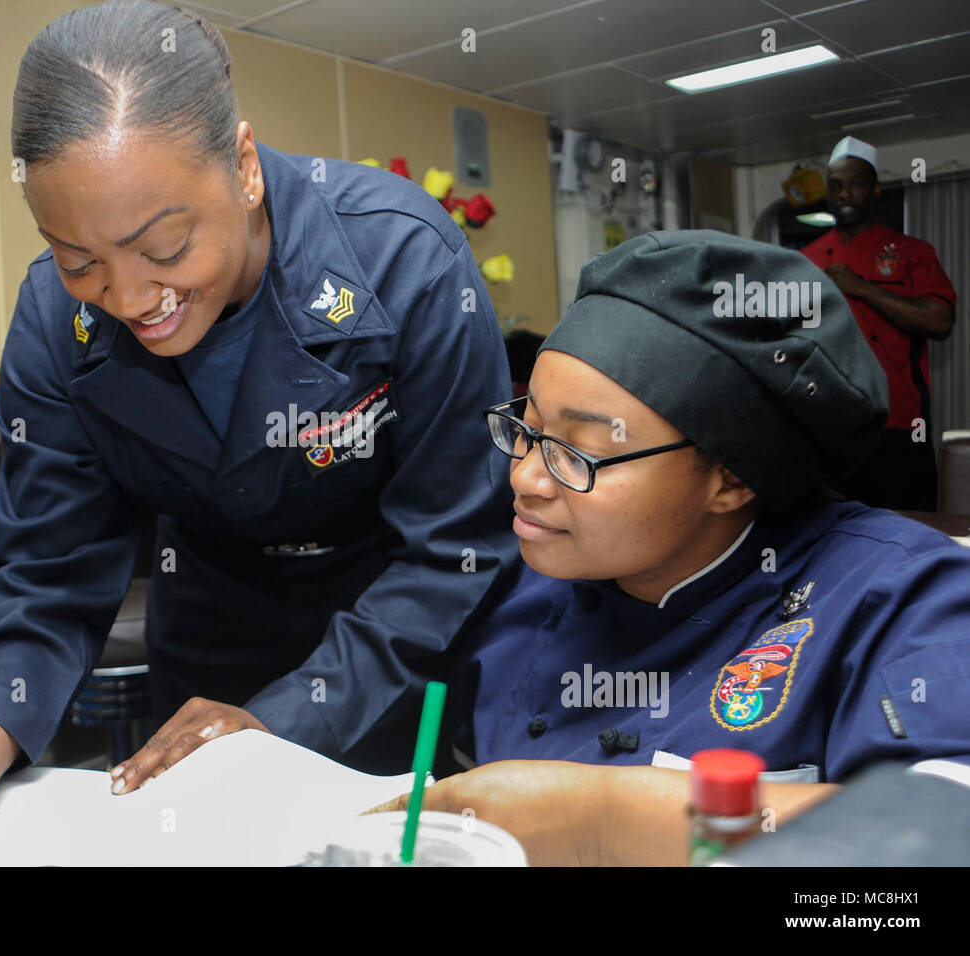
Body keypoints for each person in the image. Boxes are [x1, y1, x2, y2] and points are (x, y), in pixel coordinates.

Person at [0, 0, 519, 857]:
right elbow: (52, 570)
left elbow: (453, 549)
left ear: (243, 167)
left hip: (395, 637)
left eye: (165, 251)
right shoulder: (55, 320)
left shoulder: (407, 259)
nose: (131, 301)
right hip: (213, 630)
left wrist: (281, 720)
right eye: (79, 261)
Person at [372, 231, 970, 865]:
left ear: (732, 478)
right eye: (530, 428)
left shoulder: (903, 596)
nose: (525, 477)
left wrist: (602, 818)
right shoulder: (518, 578)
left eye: (581, 454)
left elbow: (941, 835)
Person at [801, 136, 957, 511]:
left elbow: (939, 321)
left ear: (875, 190)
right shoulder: (805, 259)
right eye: (835, 186)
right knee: (829, 535)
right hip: (828, 427)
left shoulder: (912, 252)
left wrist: (862, 289)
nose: (844, 195)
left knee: (906, 531)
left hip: (899, 425)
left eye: (856, 184)